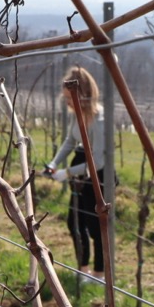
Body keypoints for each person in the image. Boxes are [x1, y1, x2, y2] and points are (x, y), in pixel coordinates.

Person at [45, 66, 106, 281]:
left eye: (70, 98)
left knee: (96, 226)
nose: (68, 103)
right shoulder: (77, 115)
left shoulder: (100, 121)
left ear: (84, 95)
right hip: (80, 171)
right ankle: (83, 269)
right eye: (66, 98)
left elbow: (98, 161)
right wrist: (54, 163)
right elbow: (71, 141)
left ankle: (100, 274)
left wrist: (67, 173)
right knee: (75, 223)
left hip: (99, 177)